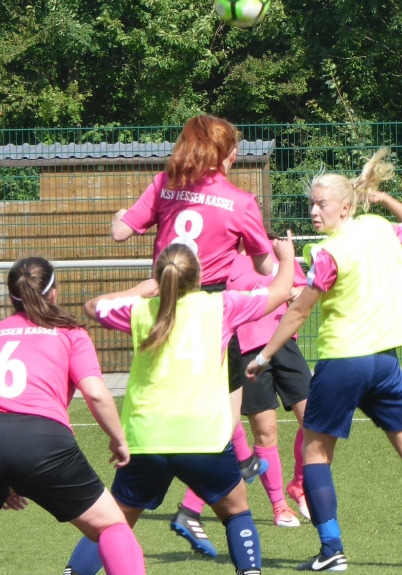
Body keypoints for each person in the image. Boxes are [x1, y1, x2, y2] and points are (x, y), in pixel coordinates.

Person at [245, 149, 402, 571]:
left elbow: (300, 310)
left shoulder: (329, 251)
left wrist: (265, 355)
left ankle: (331, 550)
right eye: (311, 204)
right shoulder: (379, 229)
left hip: (344, 361)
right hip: (385, 363)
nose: (313, 211)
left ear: (345, 207)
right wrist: (384, 199)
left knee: (315, 455)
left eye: (321, 204)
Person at [61, 239, 297, 575]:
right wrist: (286, 257)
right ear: (198, 276)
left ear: (159, 277)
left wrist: (143, 289)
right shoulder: (222, 306)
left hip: (147, 438)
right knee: (236, 512)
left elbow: (92, 306)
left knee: (113, 523)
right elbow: (281, 291)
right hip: (203, 438)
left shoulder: (140, 310)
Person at [110, 113, 275, 554]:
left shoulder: (165, 184)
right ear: (227, 154)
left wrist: (119, 215)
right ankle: (211, 492)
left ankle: (191, 496)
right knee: (222, 421)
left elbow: (121, 232)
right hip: (212, 311)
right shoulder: (240, 201)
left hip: (162, 309)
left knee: (162, 400)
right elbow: (266, 268)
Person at [0, 257, 145, 575]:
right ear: (53, 292)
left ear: (12, 296)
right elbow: (96, 393)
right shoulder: (70, 332)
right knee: (111, 525)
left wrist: (4, 473)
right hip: (41, 440)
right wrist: (119, 439)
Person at [179, 241, 312, 531]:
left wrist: (296, 292)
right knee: (266, 432)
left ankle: (299, 484)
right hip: (247, 351)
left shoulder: (276, 249)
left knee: (314, 421)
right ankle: (279, 506)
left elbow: (303, 288)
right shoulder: (221, 258)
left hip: (285, 344)